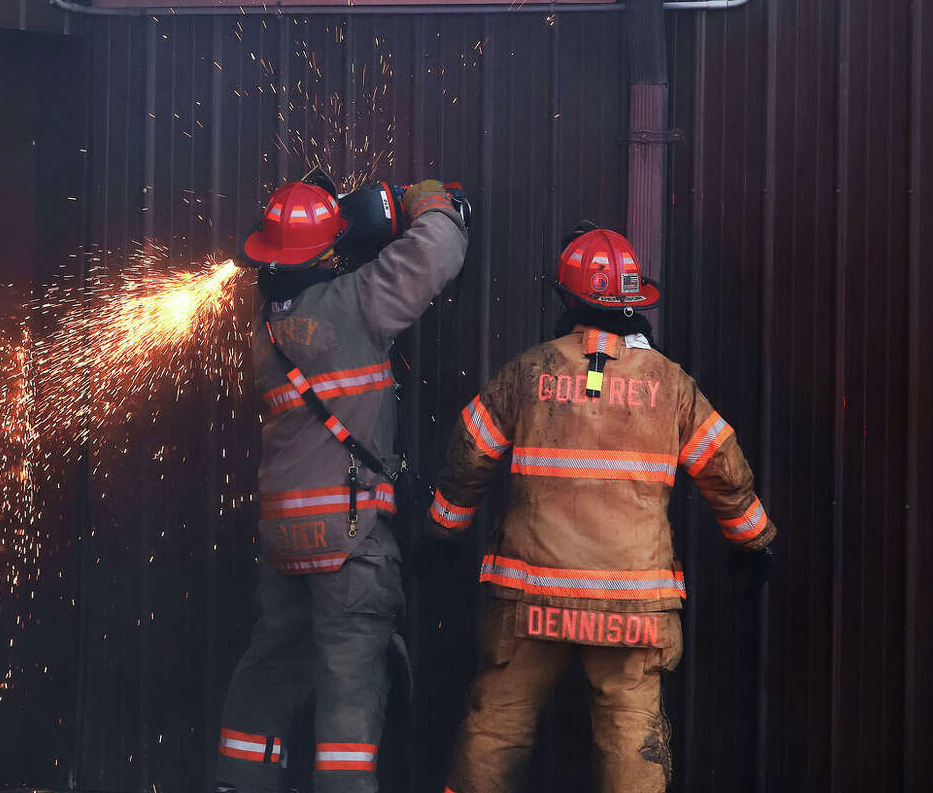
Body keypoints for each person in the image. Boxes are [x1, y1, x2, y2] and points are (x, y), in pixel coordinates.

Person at [428, 224, 774, 793]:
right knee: (631, 736)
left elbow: (469, 455)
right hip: (630, 605)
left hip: (531, 598)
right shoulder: (670, 385)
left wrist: (442, 531)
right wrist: (754, 542)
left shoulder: (528, 372)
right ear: (635, 300)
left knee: (496, 728)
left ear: (567, 298)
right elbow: (724, 469)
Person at [215, 172, 468, 792]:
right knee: (351, 689)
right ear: (332, 251)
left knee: (271, 667)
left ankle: (237, 783)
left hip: (283, 538)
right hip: (350, 541)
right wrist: (429, 199)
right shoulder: (358, 302)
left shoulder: (265, 330)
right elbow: (439, 248)